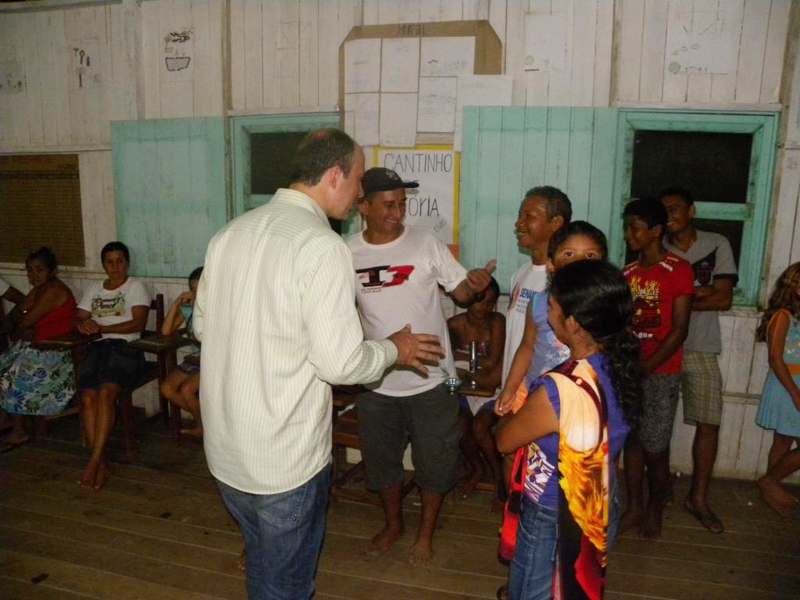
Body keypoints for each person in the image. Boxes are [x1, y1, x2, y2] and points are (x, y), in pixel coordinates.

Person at [193, 129, 445, 600]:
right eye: (357, 180)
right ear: (334, 175)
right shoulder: (323, 246)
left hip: (226, 451)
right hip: (283, 459)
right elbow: (342, 364)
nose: (359, 192)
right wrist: (396, 348)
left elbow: (204, 327)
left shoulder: (229, 234)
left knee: (264, 565)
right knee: (285, 586)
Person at [348, 166, 496, 566]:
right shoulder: (347, 253)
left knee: (436, 462)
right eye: (388, 205)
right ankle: (394, 525)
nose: (397, 213)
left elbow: (459, 293)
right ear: (364, 207)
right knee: (382, 464)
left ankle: (425, 533)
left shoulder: (425, 243)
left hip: (433, 382)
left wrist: (473, 286)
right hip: (377, 382)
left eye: (401, 204)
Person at [496, 260, 641, 600]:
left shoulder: (561, 387)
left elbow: (505, 441)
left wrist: (508, 415)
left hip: (555, 509)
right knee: (576, 588)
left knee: (530, 592)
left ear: (572, 323)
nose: (546, 314)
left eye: (551, 308)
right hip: (601, 497)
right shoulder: (621, 364)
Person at [662, 187, 737, 534]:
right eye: (664, 210)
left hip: (701, 347)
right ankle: (660, 489)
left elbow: (723, 300)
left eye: (675, 208)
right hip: (663, 347)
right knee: (657, 423)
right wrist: (698, 293)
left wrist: (680, 299)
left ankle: (699, 498)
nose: (669, 216)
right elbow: (655, 303)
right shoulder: (657, 247)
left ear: (691, 211)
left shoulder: (716, 243)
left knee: (709, 423)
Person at [620, 198, 694, 539]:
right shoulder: (628, 274)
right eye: (627, 227)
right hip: (632, 369)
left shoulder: (678, 270)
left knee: (655, 447)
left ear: (656, 231)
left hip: (661, 371)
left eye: (634, 228)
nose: (628, 234)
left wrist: (646, 367)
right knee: (632, 441)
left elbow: (679, 330)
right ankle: (634, 507)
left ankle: (654, 509)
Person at [496, 220, 606, 418]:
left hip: (581, 396)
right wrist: (510, 388)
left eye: (590, 255)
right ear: (550, 264)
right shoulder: (539, 302)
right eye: (569, 254)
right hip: (534, 391)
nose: (579, 262)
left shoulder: (605, 307)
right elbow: (527, 348)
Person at [76, 241, 151, 491]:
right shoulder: (94, 288)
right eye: (110, 262)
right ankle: (100, 462)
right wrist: (83, 325)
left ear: (127, 263)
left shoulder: (135, 287)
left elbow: (138, 324)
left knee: (106, 393)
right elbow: (79, 317)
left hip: (126, 348)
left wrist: (101, 328)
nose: (115, 266)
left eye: (120, 261)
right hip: (97, 347)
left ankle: (94, 463)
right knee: (88, 397)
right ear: (103, 265)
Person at [0, 248, 77, 451]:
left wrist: (24, 320)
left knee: (11, 376)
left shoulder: (54, 291)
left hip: (55, 352)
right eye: (30, 270)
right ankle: (5, 419)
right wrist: (24, 319)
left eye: (40, 270)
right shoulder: (40, 289)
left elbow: (25, 319)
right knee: (3, 364)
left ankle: (19, 431)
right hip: (35, 348)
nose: (34, 275)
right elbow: (17, 315)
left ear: (51, 271)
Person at [448, 277, 505, 509]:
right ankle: (477, 467)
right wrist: (475, 369)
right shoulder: (454, 325)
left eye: (491, 303)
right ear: (467, 300)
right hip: (466, 391)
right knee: (460, 427)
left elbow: (493, 366)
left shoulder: (497, 322)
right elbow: (447, 363)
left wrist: (464, 363)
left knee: (480, 427)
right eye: (480, 302)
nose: (485, 308)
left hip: (492, 393)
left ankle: (499, 476)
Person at [754, 263, 800, 517]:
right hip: (787, 385)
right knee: (783, 441)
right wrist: (794, 392)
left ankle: (771, 489)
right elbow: (775, 357)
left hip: (793, 384)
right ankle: (770, 482)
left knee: (782, 442)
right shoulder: (783, 315)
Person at [160, 266, 203, 439]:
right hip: (195, 360)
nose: (196, 293)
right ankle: (207, 422)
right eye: (193, 289)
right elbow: (166, 331)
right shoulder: (189, 310)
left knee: (187, 390)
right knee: (166, 389)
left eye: (201, 289)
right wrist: (177, 304)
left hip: (213, 363)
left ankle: (202, 426)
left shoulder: (217, 310)